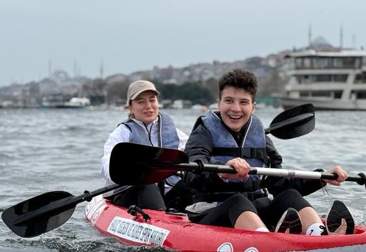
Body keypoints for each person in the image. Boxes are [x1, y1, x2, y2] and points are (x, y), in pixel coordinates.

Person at [184, 68, 350, 235]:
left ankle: (319, 234)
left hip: (256, 210)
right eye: (229, 101)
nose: (236, 108)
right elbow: (192, 174)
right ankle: (266, 241)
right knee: (237, 201)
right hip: (212, 213)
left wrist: (322, 177)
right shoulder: (202, 133)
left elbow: (281, 184)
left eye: (243, 102)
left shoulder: (260, 137)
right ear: (218, 103)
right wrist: (223, 172)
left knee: (289, 195)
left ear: (253, 107)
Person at [101, 80, 189, 210]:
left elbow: (193, 153)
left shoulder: (175, 133)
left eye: (152, 100)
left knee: (189, 183)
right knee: (146, 184)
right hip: (134, 194)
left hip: (168, 195)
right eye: (141, 101)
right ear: (130, 107)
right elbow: (107, 166)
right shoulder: (122, 133)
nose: (148, 106)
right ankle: (160, 220)